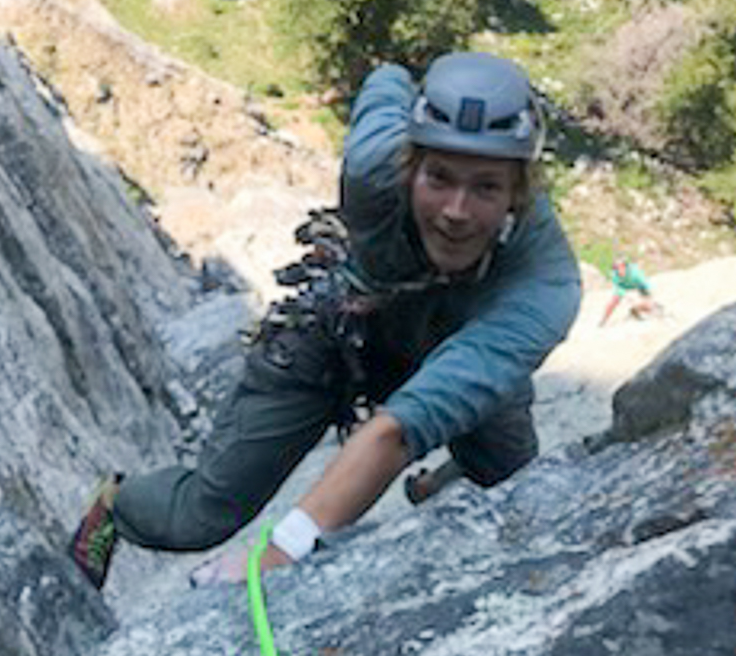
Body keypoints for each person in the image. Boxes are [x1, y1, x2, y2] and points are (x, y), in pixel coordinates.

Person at [69, 51, 581, 589]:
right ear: (409, 168)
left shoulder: (545, 283)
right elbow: (384, 82)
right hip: (339, 333)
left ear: (518, 196)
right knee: (199, 515)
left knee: (514, 483)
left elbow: (409, 422)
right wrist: (281, 552)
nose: (455, 210)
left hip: (458, 343)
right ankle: (116, 505)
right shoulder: (372, 166)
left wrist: (282, 550)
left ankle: (450, 473)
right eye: (439, 178)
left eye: (486, 188)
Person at [599, 255, 661, 326]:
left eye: (618, 267)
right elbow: (618, 288)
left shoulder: (634, 272)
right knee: (613, 301)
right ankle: (604, 319)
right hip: (624, 286)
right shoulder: (615, 275)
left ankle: (649, 309)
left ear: (623, 266)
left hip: (637, 286)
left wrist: (646, 295)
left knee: (643, 302)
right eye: (615, 267)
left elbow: (644, 283)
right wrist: (625, 295)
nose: (616, 269)